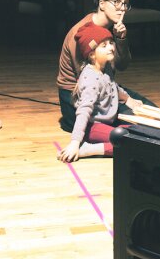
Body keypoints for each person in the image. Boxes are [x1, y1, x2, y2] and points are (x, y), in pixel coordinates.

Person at [56, 0, 153, 132]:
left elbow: (121, 66)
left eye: (125, 3)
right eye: (116, 2)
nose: (122, 8)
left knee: (151, 110)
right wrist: (124, 100)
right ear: (102, 4)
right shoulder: (81, 33)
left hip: (103, 83)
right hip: (78, 94)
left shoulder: (109, 29)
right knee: (138, 127)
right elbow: (88, 82)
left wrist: (121, 39)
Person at [57, 23, 142, 162]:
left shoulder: (105, 67)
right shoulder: (91, 79)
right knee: (131, 144)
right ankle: (89, 149)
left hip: (107, 124)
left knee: (140, 134)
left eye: (111, 43)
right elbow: (84, 110)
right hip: (93, 128)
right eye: (104, 46)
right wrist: (74, 142)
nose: (111, 47)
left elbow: (112, 86)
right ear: (92, 54)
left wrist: (128, 99)